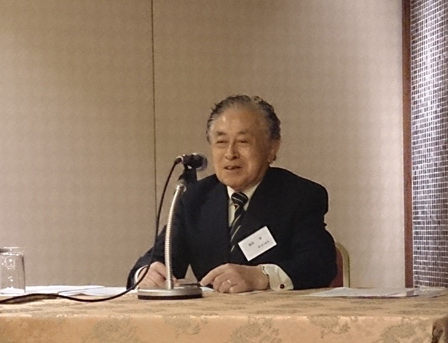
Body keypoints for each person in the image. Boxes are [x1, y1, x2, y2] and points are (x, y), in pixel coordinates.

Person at [128, 94, 337, 293]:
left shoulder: (299, 196)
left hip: (275, 315)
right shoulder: (195, 199)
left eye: (243, 142)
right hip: (211, 316)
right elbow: (160, 257)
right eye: (221, 142)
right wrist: (146, 274)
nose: (230, 154)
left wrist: (261, 277)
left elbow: (319, 264)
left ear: (272, 148)